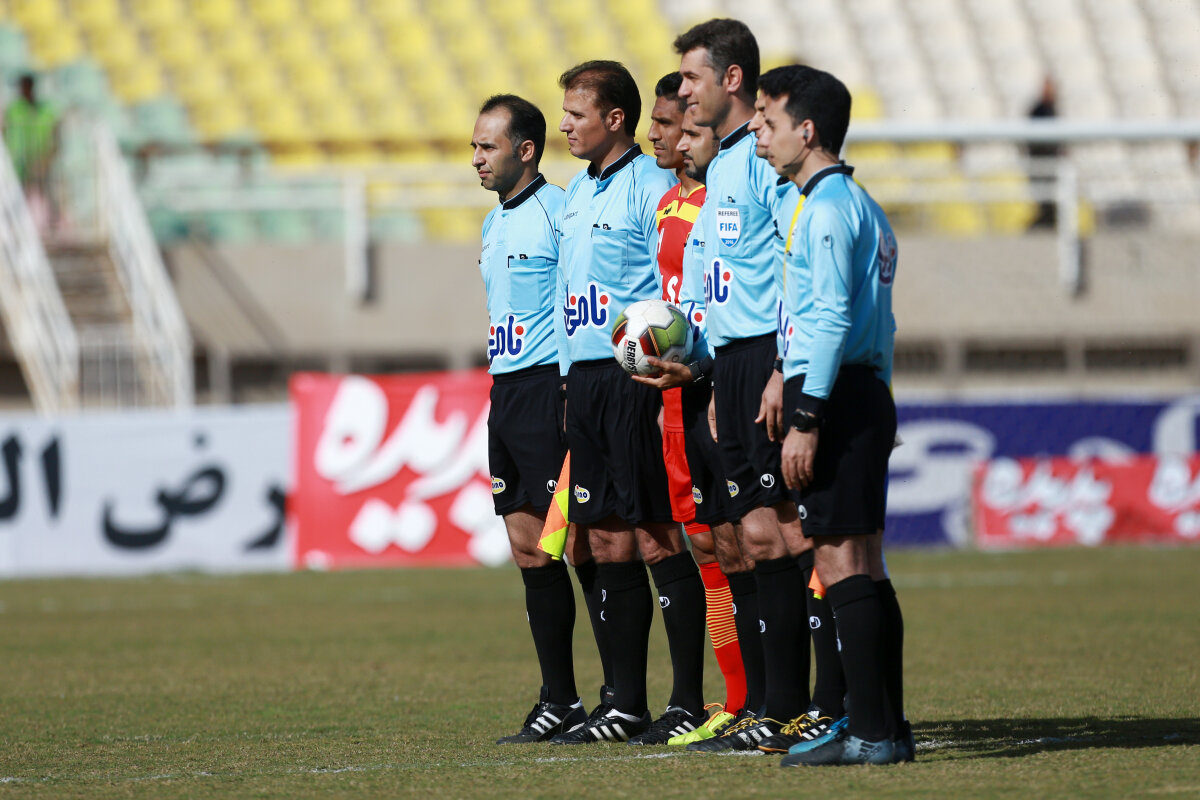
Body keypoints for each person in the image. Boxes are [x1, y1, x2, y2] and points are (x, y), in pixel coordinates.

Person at [662, 18, 818, 753]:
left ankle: (817, 704)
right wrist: (698, 367)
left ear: (731, 79)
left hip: (765, 360)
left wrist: (783, 367)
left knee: (789, 532)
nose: (683, 91)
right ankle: (771, 707)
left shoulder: (760, 160)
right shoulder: (721, 166)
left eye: (691, 77)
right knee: (753, 536)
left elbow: (793, 265)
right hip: (727, 365)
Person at [754, 64, 911, 767]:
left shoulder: (823, 210)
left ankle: (869, 731)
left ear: (807, 130)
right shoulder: (859, 203)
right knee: (866, 564)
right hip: (861, 391)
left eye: (770, 121)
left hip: (836, 395)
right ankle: (886, 727)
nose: (760, 134)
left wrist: (808, 416)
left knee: (840, 561)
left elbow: (829, 320)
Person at [547, 60, 678, 745]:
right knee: (596, 539)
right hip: (586, 383)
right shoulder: (575, 191)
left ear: (615, 118)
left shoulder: (652, 185)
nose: (565, 125)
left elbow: (672, 282)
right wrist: (567, 377)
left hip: (635, 381)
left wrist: (665, 364)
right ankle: (625, 704)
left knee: (657, 535)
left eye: (576, 113)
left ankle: (688, 700)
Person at [633, 74, 749, 746]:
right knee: (705, 541)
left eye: (667, 123)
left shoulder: (722, 200)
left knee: (749, 542)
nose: (656, 134)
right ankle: (734, 700)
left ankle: (775, 696)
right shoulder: (667, 203)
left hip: (718, 383)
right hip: (677, 392)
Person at [471, 94, 587, 743]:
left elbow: (571, 301)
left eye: (487, 146)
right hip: (506, 392)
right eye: (474, 147)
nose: (476, 159)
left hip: (549, 389)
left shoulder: (559, 212)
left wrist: (568, 389)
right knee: (525, 547)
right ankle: (559, 698)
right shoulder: (493, 222)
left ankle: (619, 696)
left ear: (526, 150)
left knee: (578, 542)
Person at [2, 73, 60, 232]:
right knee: (18, 194)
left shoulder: (46, 109)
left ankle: (53, 224)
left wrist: (48, 156)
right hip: (20, 161)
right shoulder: (13, 109)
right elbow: (4, 130)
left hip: (41, 160)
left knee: (46, 191)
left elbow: (56, 132)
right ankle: (13, 225)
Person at [1027, 76, 1059, 230]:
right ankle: (1045, 221)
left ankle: (1050, 221)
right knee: (1043, 195)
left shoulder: (1053, 109)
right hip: (1040, 159)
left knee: (1053, 193)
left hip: (1051, 160)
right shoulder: (1038, 110)